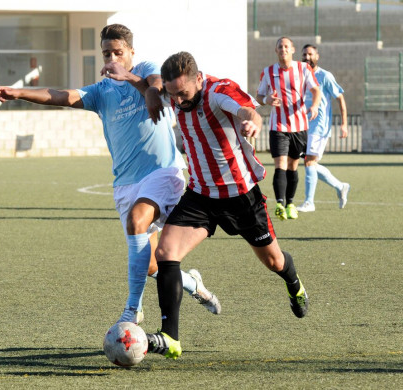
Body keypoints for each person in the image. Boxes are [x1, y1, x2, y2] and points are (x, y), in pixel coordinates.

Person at [0, 24, 221, 325]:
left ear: (130, 52)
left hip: (162, 172)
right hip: (125, 184)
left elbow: (155, 84)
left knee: (137, 220)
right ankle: (195, 285)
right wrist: (18, 92)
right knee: (152, 264)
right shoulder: (101, 92)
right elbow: (61, 95)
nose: (112, 58)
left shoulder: (145, 69)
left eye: (118, 52)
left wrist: (142, 86)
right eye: (106, 53)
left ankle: (133, 310)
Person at [144, 52, 309, 360]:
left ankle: (294, 283)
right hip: (200, 196)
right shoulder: (172, 95)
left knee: (274, 262)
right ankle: (170, 337)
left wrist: (250, 123)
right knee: (165, 253)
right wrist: (153, 90)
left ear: (198, 78)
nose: (178, 101)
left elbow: (247, 110)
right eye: (172, 94)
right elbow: (149, 83)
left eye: (183, 93)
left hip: (241, 197)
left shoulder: (218, 91)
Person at [256, 37, 321, 221]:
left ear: (292, 50)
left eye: (286, 46)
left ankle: (290, 203)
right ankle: (279, 203)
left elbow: (316, 90)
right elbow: (259, 96)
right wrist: (267, 100)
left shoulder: (303, 69)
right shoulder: (268, 72)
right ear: (276, 51)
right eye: (280, 47)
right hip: (278, 126)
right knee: (280, 165)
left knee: (293, 167)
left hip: (300, 126)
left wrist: (314, 106)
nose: (283, 49)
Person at [297, 44, 350, 212]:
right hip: (302, 126)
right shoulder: (300, 76)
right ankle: (340, 186)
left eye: (310, 54)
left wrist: (344, 124)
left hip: (319, 126)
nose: (307, 57)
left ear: (317, 56)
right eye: (304, 54)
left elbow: (340, 98)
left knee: (310, 161)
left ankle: (309, 202)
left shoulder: (325, 76)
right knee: (309, 163)